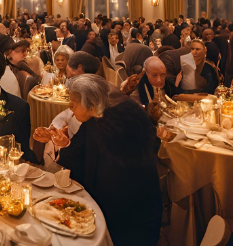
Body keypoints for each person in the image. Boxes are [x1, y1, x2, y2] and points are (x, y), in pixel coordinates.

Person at [34, 75, 162, 246]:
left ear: (91, 104)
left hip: (129, 211)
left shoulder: (116, 125)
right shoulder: (97, 118)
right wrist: (62, 143)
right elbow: (79, 154)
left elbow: (106, 176)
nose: (71, 110)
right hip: (119, 200)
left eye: (73, 105)